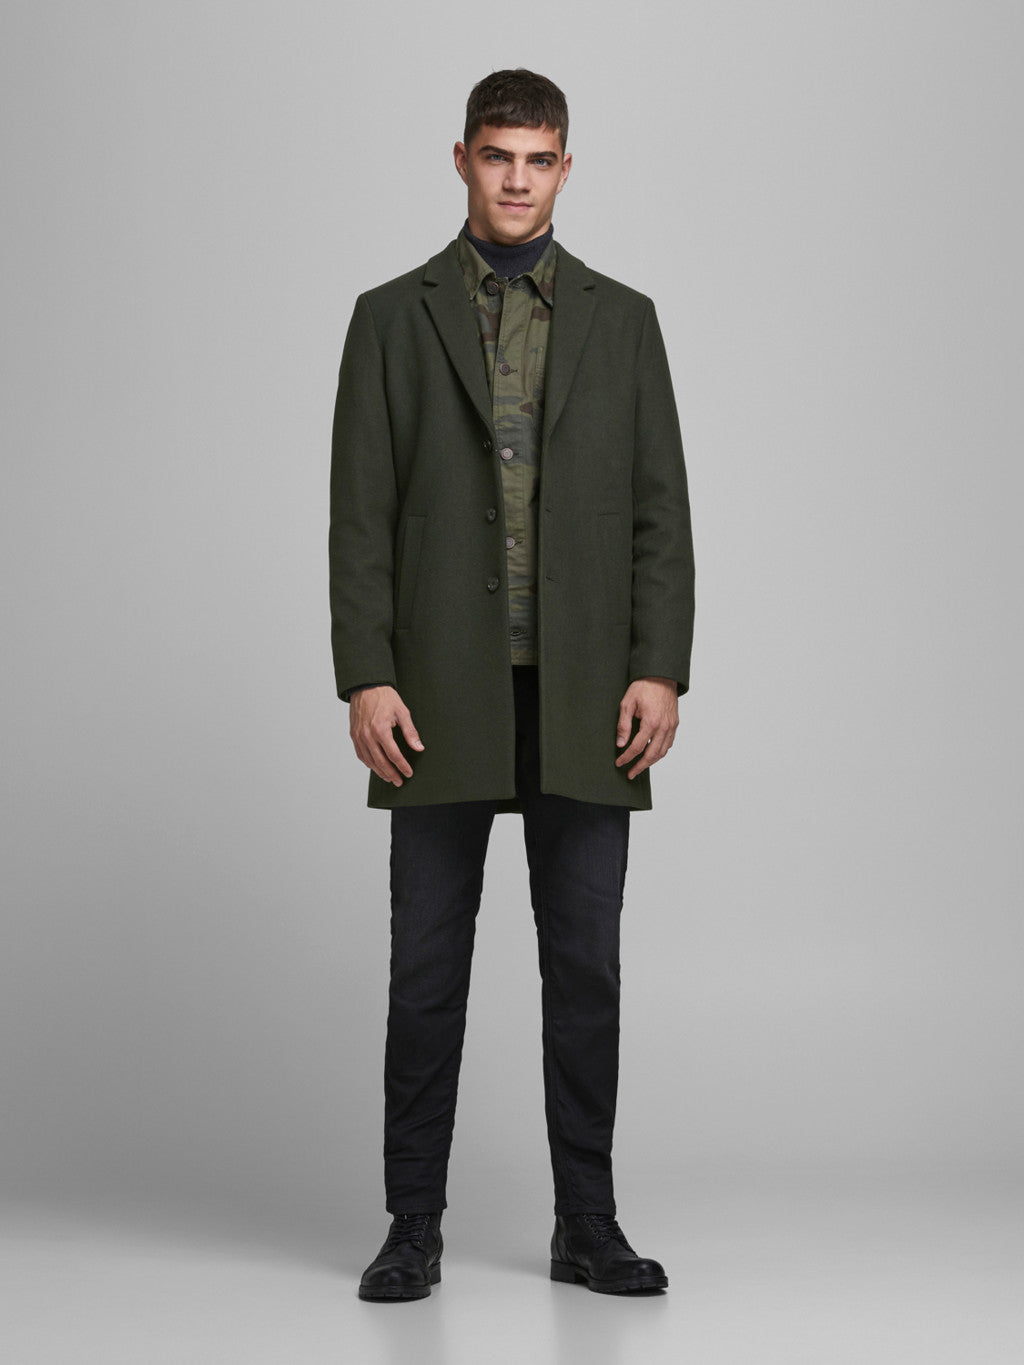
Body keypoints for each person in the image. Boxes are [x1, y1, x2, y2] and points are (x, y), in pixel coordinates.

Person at [329, 69, 694, 1300]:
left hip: (589, 692)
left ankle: (587, 1223)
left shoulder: (623, 319)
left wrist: (658, 665)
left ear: (566, 169)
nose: (518, 179)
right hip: (437, 690)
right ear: (462, 161)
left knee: (584, 971)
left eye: (538, 159)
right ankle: (412, 1226)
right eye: (498, 156)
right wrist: (367, 674)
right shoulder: (391, 317)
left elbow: (659, 510)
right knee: (427, 970)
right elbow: (359, 514)